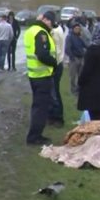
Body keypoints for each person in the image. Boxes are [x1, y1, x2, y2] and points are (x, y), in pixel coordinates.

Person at [25, 11, 58, 145]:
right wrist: (54, 63)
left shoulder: (31, 30)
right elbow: (42, 54)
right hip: (42, 76)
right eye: (51, 22)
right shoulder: (41, 33)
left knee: (37, 106)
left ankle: (35, 134)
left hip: (34, 75)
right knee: (41, 109)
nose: (51, 26)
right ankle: (35, 137)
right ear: (46, 20)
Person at [48, 17, 66, 126]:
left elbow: (55, 50)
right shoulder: (59, 29)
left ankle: (58, 117)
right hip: (58, 64)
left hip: (56, 65)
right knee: (54, 92)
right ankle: (53, 116)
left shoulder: (54, 33)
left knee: (54, 93)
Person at [65, 21, 88, 96]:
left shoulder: (79, 37)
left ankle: (79, 89)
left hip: (81, 58)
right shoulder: (70, 37)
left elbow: (85, 45)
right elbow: (67, 49)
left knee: (80, 75)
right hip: (74, 59)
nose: (78, 30)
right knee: (73, 76)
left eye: (79, 28)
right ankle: (73, 90)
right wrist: (72, 57)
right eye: (76, 28)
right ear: (73, 29)